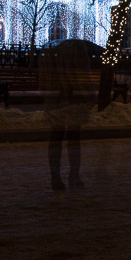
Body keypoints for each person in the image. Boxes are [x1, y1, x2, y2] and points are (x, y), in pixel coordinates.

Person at [41, 39, 92, 191]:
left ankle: (57, 177)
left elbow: (46, 82)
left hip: (59, 102)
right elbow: (85, 80)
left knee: (57, 139)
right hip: (74, 102)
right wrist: (89, 98)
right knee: (73, 140)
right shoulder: (80, 59)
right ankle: (73, 176)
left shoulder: (53, 57)